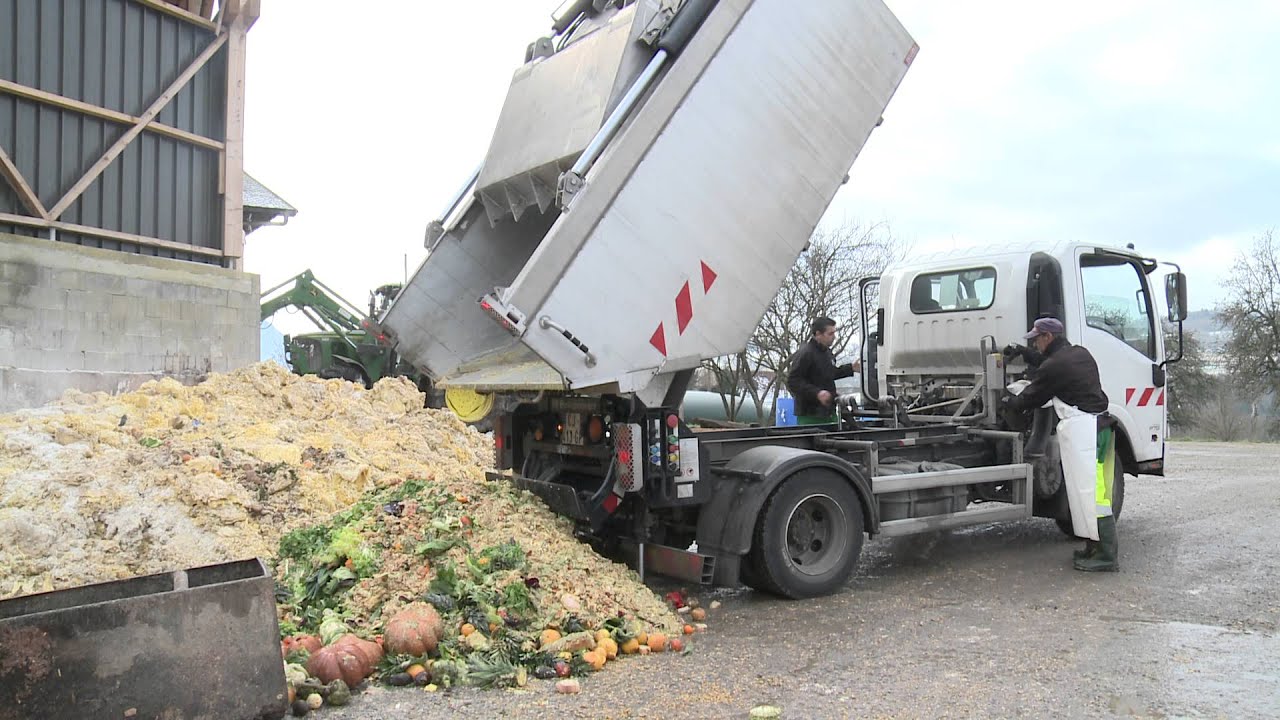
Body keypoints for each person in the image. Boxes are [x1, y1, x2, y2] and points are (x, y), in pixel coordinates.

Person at [1004, 317, 1119, 572]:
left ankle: (1107, 556)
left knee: (1093, 496)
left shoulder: (1056, 366)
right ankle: (1094, 547)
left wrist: (1010, 403)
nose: (1035, 343)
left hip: (1085, 433)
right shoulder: (1079, 354)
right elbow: (1049, 364)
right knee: (1084, 496)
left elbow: (1033, 395)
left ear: (1048, 337)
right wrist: (1024, 353)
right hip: (1099, 428)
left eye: (1036, 339)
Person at [786, 317, 861, 425]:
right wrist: (817, 393)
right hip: (810, 414)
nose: (834, 337)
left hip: (828, 411)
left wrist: (850, 368)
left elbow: (829, 373)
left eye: (834, 333)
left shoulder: (827, 353)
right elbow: (793, 381)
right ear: (818, 334)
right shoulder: (805, 353)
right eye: (830, 334)